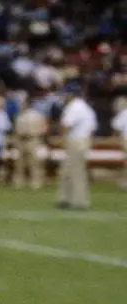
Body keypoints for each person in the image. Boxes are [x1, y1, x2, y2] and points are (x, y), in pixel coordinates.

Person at [57, 81, 97, 211]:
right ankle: (65, 198)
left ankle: (80, 201)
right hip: (82, 139)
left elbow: (66, 125)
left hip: (76, 140)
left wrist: (61, 139)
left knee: (76, 172)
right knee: (67, 171)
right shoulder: (85, 107)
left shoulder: (75, 107)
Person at [14, 98, 50, 190]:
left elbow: (44, 128)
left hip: (33, 140)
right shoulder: (19, 115)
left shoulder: (37, 115)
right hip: (21, 140)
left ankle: (36, 183)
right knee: (20, 164)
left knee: (34, 163)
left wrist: (37, 134)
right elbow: (16, 129)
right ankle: (19, 183)